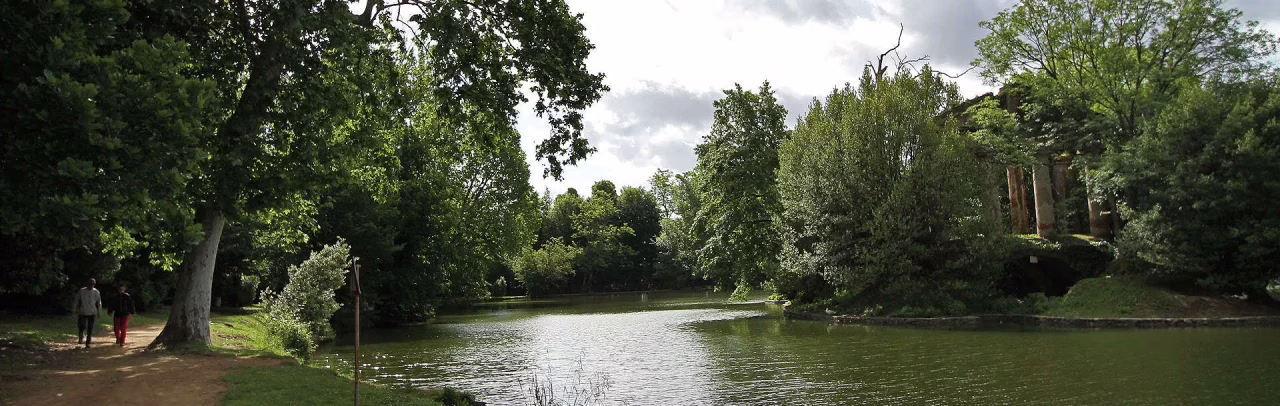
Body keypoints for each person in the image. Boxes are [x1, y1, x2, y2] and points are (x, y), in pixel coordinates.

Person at [71, 278, 102, 348]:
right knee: (82, 326)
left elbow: (99, 302)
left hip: (92, 312)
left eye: (93, 284)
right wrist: (74, 310)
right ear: (88, 284)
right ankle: (81, 336)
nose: (91, 285)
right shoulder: (82, 291)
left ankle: (88, 342)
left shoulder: (96, 292)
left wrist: (99, 311)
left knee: (90, 328)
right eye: (90, 284)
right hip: (83, 311)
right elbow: (76, 300)